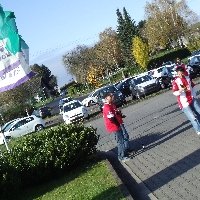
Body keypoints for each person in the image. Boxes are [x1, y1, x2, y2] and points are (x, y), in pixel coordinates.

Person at [102, 92, 130, 162]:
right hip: (114, 127)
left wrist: (120, 115)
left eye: (112, 95)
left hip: (116, 126)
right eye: (110, 96)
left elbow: (115, 113)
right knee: (120, 142)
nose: (112, 96)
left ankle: (123, 154)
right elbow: (112, 119)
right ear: (106, 98)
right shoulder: (107, 107)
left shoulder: (111, 104)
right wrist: (118, 125)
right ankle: (121, 157)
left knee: (122, 140)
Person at [172, 66, 200, 135]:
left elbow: (192, 86)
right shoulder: (176, 81)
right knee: (193, 118)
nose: (180, 75)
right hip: (184, 103)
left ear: (184, 72)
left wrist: (194, 96)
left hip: (192, 99)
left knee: (199, 113)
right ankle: (198, 131)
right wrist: (180, 91)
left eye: (182, 73)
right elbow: (174, 92)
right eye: (179, 74)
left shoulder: (188, 78)